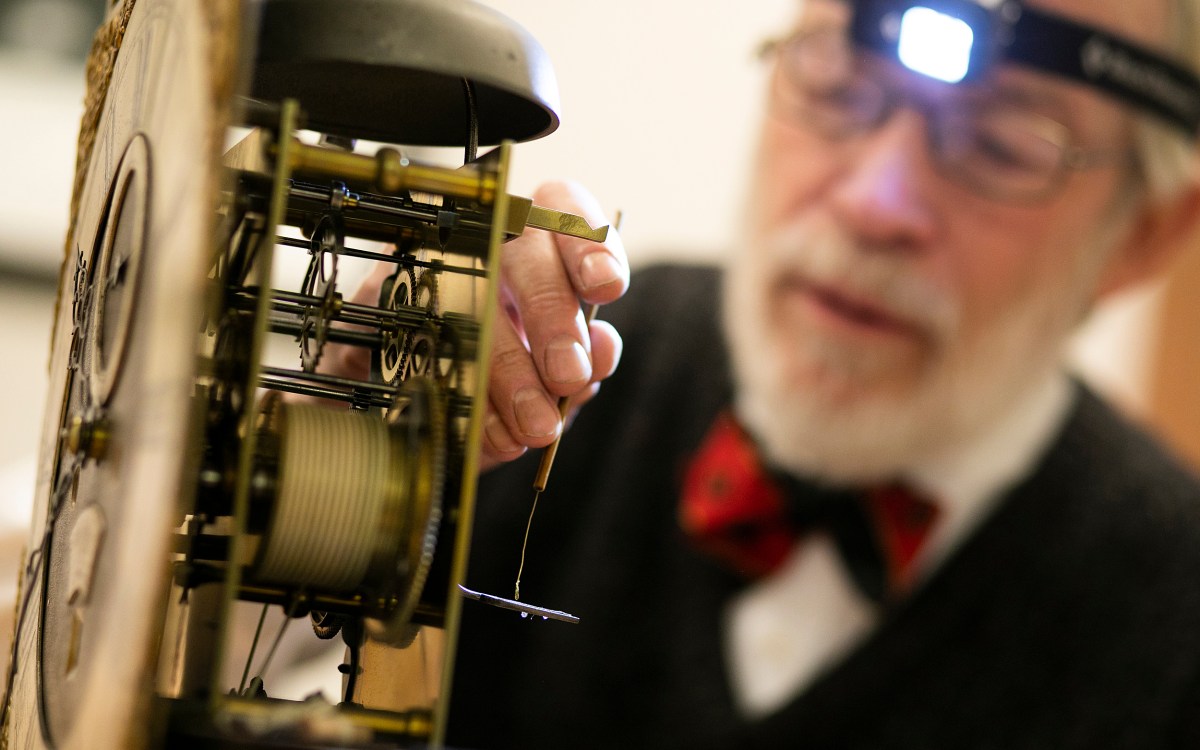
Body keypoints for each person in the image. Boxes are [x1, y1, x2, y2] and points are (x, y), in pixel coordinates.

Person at [433, 0, 1200, 746]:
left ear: (1144, 235)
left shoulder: (1175, 626)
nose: (876, 202)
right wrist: (368, 434)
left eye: (1001, 145)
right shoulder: (568, 361)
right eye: (835, 84)